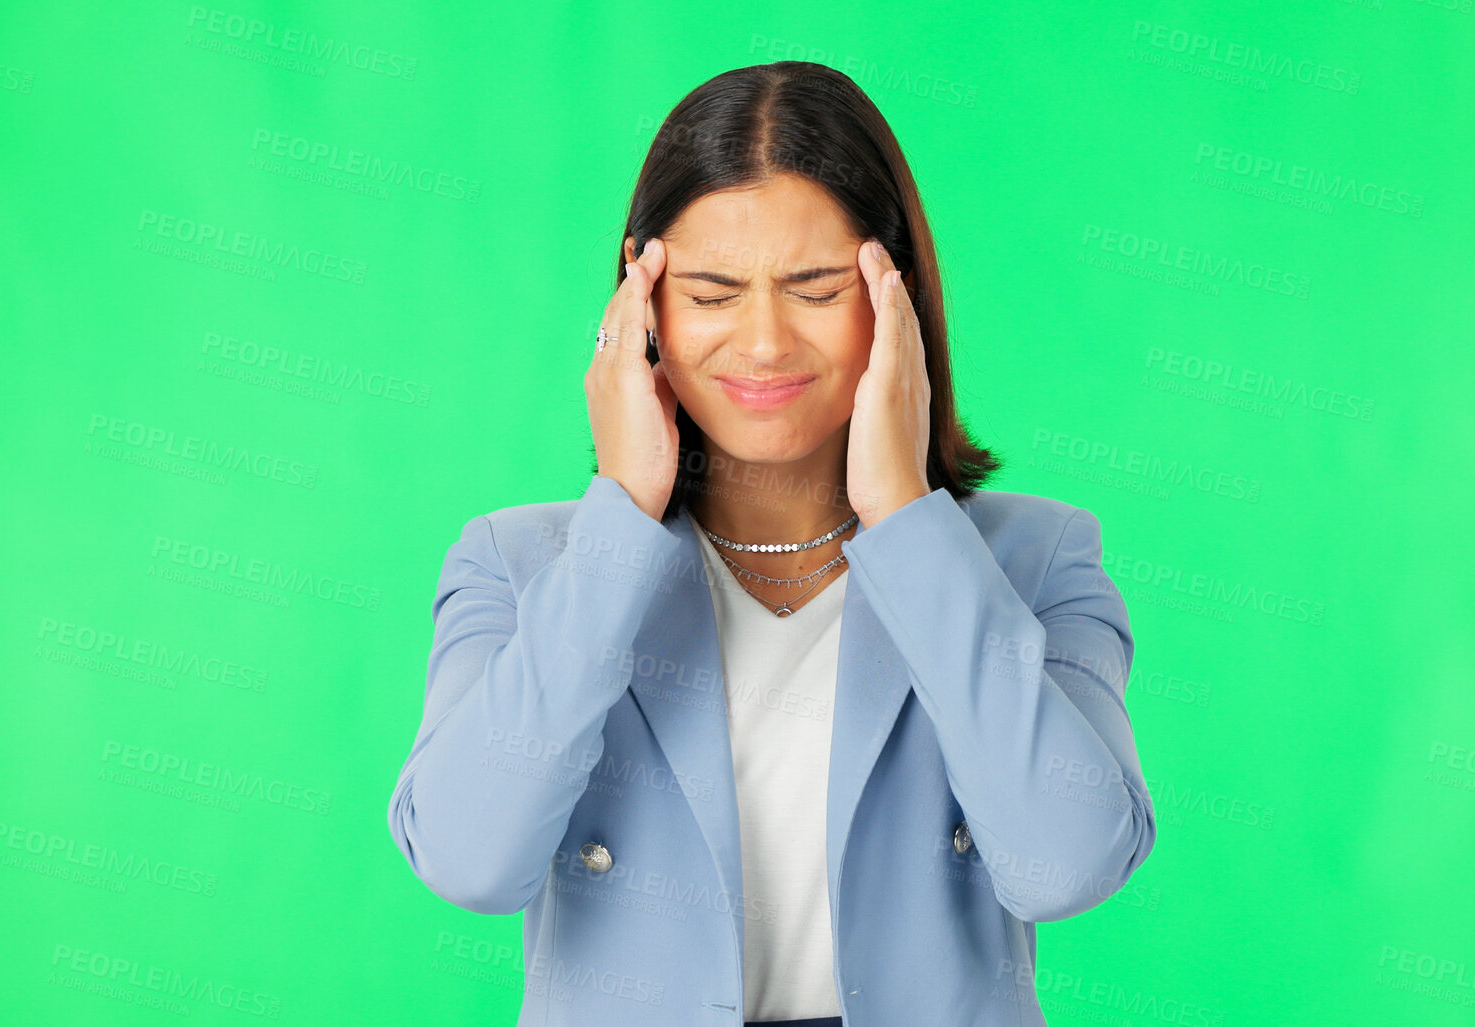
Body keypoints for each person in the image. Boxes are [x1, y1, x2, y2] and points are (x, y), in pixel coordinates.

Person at [387, 60, 1156, 1027]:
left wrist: (909, 519)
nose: (761, 343)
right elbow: (468, 860)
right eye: (710, 293)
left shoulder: (1034, 556)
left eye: (815, 286)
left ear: (896, 295)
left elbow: (1067, 863)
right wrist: (620, 519)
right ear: (640, 303)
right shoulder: (518, 563)